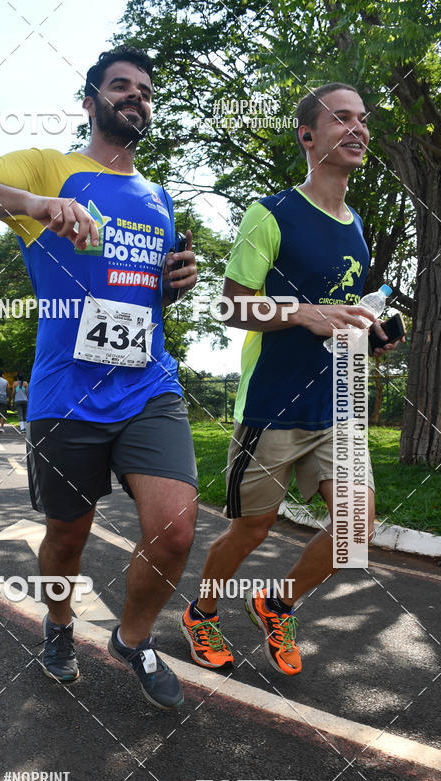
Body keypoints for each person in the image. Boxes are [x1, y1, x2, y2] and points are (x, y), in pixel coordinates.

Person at [0, 46, 198, 709]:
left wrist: (174, 285)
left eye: (145, 90)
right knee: (68, 536)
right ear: (90, 101)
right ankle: (59, 624)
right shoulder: (50, 167)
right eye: (120, 85)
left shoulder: (160, 198)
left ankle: (132, 640)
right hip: (66, 393)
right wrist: (36, 203)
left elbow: (142, 297)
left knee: (175, 530)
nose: (135, 96)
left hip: (148, 383)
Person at [181, 83, 404, 675]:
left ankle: (275, 603)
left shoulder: (356, 225)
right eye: (342, 118)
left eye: (363, 119)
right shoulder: (271, 213)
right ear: (308, 135)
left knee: (354, 529)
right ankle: (202, 612)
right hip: (274, 404)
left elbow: (339, 315)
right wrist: (302, 313)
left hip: (337, 404)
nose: (358, 129)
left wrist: (369, 333)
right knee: (251, 528)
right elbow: (229, 307)